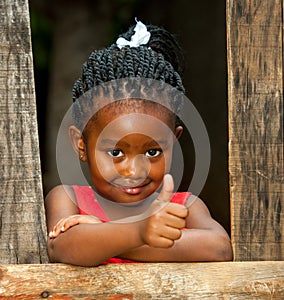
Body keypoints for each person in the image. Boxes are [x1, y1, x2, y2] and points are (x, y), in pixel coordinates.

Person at [45, 20, 232, 267]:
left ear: (174, 142)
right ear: (81, 144)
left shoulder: (185, 206)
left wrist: (113, 234)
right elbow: (64, 246)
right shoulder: (69, 199)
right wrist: (140, 232)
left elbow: (218, 248)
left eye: (153, 151)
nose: (134, 171)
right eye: (116, 152)